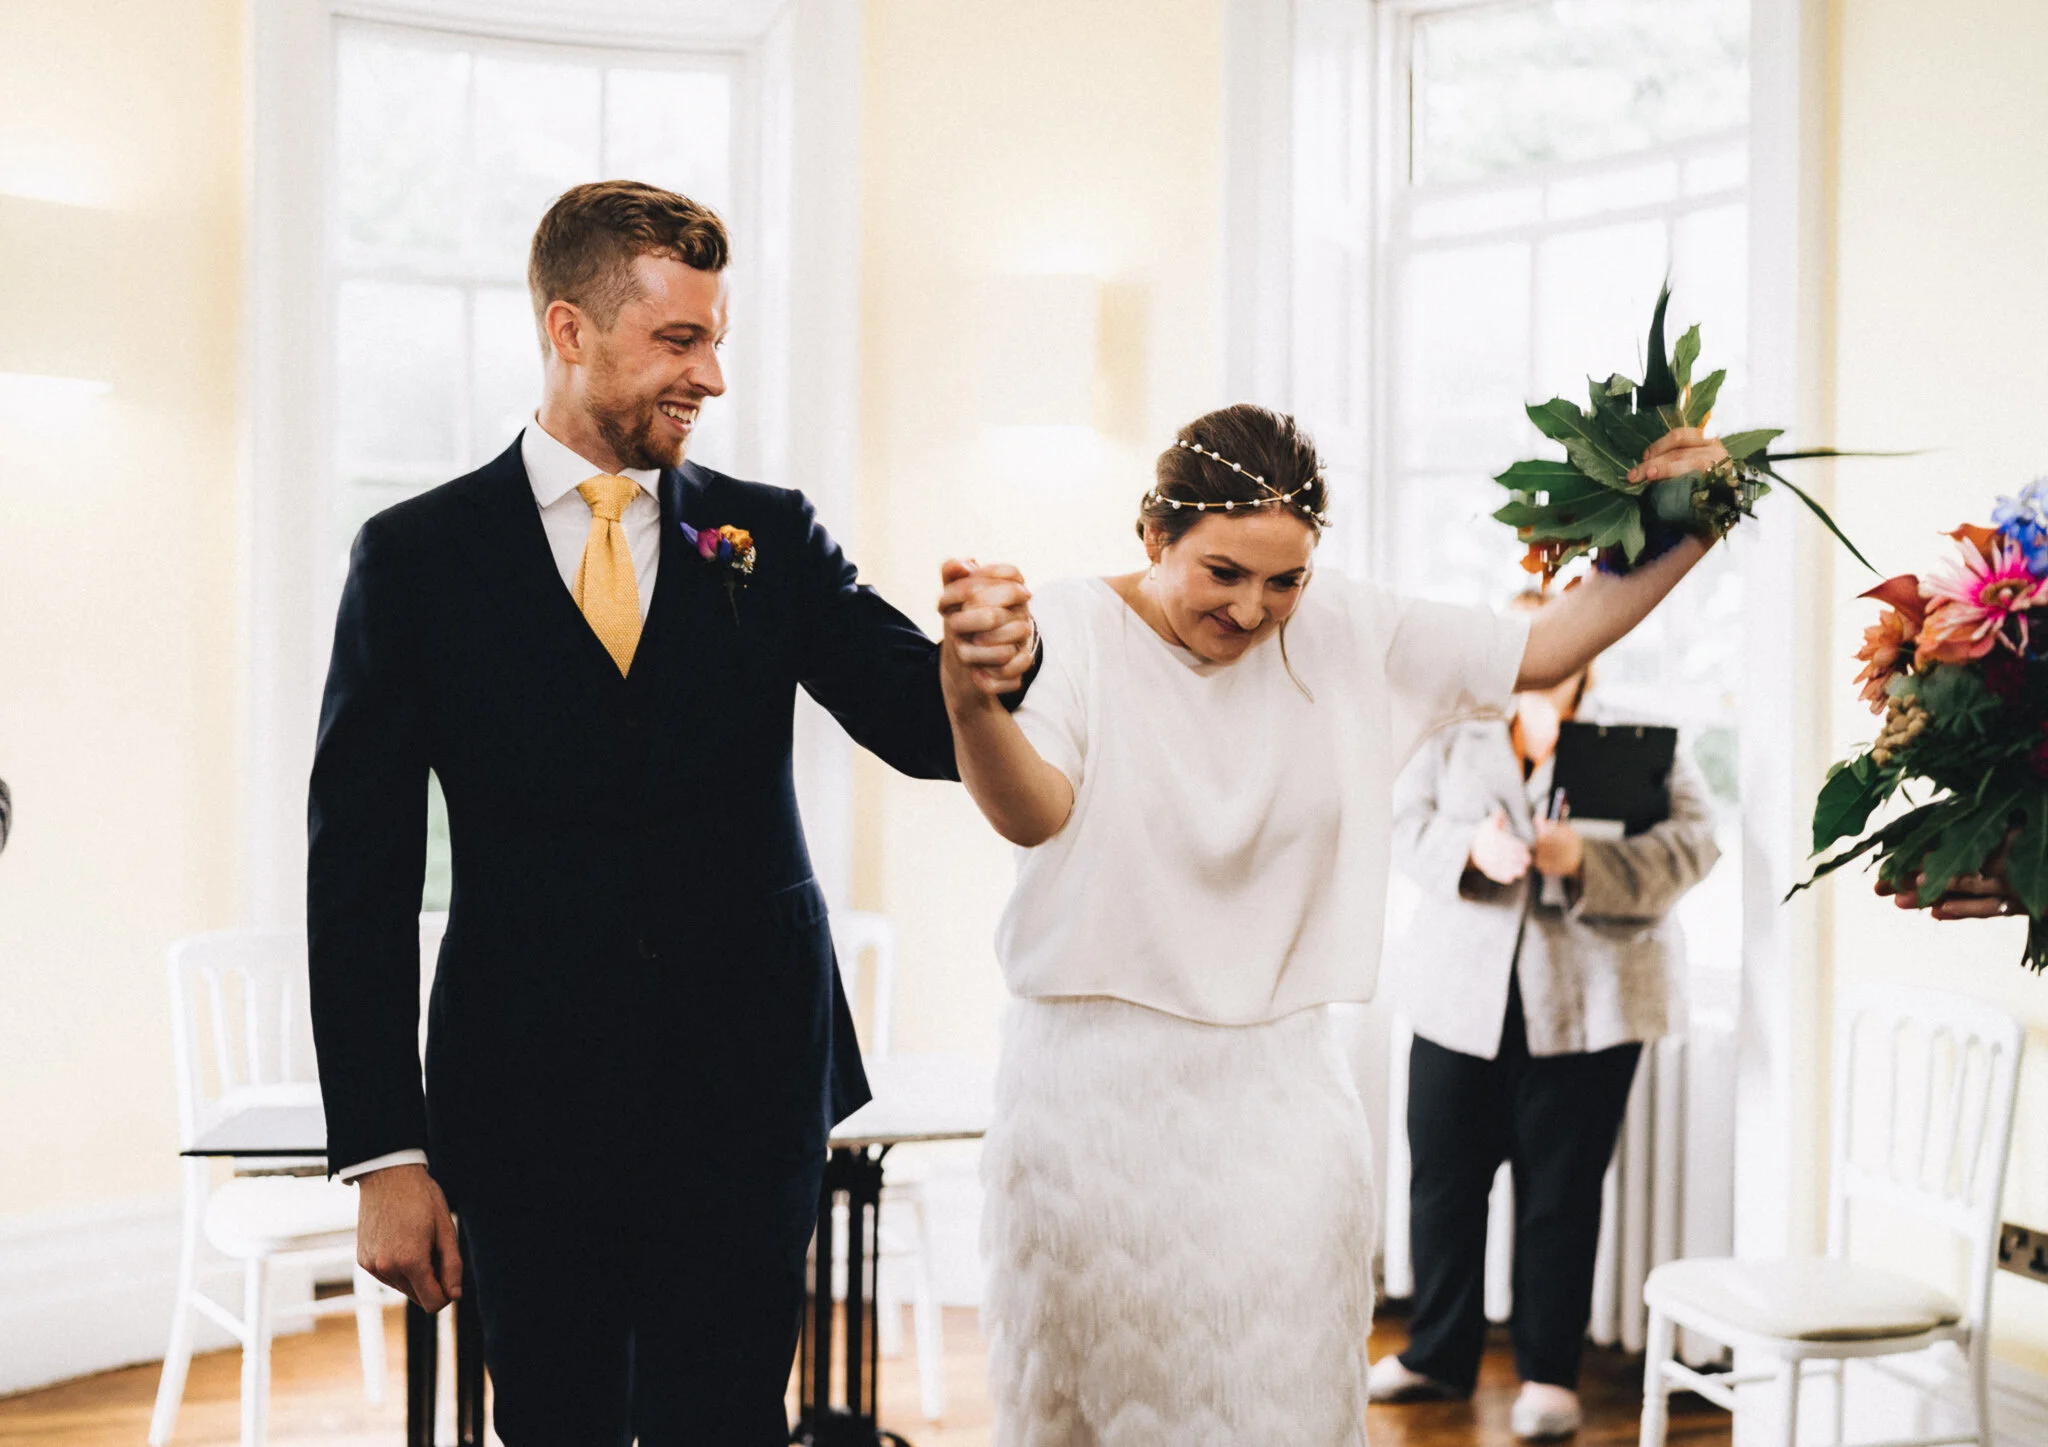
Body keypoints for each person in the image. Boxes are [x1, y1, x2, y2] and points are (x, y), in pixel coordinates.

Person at [307, 180, 1037, 1445]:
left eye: (717, 339)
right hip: (525, 1097)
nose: (710, 375)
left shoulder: (766, 535)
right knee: (556, 1420)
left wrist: (991, 661)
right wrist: (385, 1152)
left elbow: (921, 724)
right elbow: (355, 875)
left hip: (746, 1090)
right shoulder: (414, 559)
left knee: (729, 1421)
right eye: (678, 339)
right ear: (569, 329)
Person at [935, 403, 1729, 1444]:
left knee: (1282, 1388)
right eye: (1222, 572)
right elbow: (1033, 812)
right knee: (1111, 1393)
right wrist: (971, 701)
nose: (1252, 609)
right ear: (1153, 534)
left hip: (1279, 1088)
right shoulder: (1072, 624)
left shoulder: (1352, 628)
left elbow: (1546, 647)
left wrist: (1698, 516)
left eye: (1285, 580)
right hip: (1095, 1090)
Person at [1369, 589, 1720, 1440]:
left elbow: (1696, 843)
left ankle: (1549, 1375)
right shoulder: (1449, 729)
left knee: (1560, 1196)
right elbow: (1399, 820)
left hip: (1591, 1005)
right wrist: (1469, 848)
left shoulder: (1638, 739)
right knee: (1443, 1184)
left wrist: (1584, 858)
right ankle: (1436, 1353)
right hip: (1457, 999)